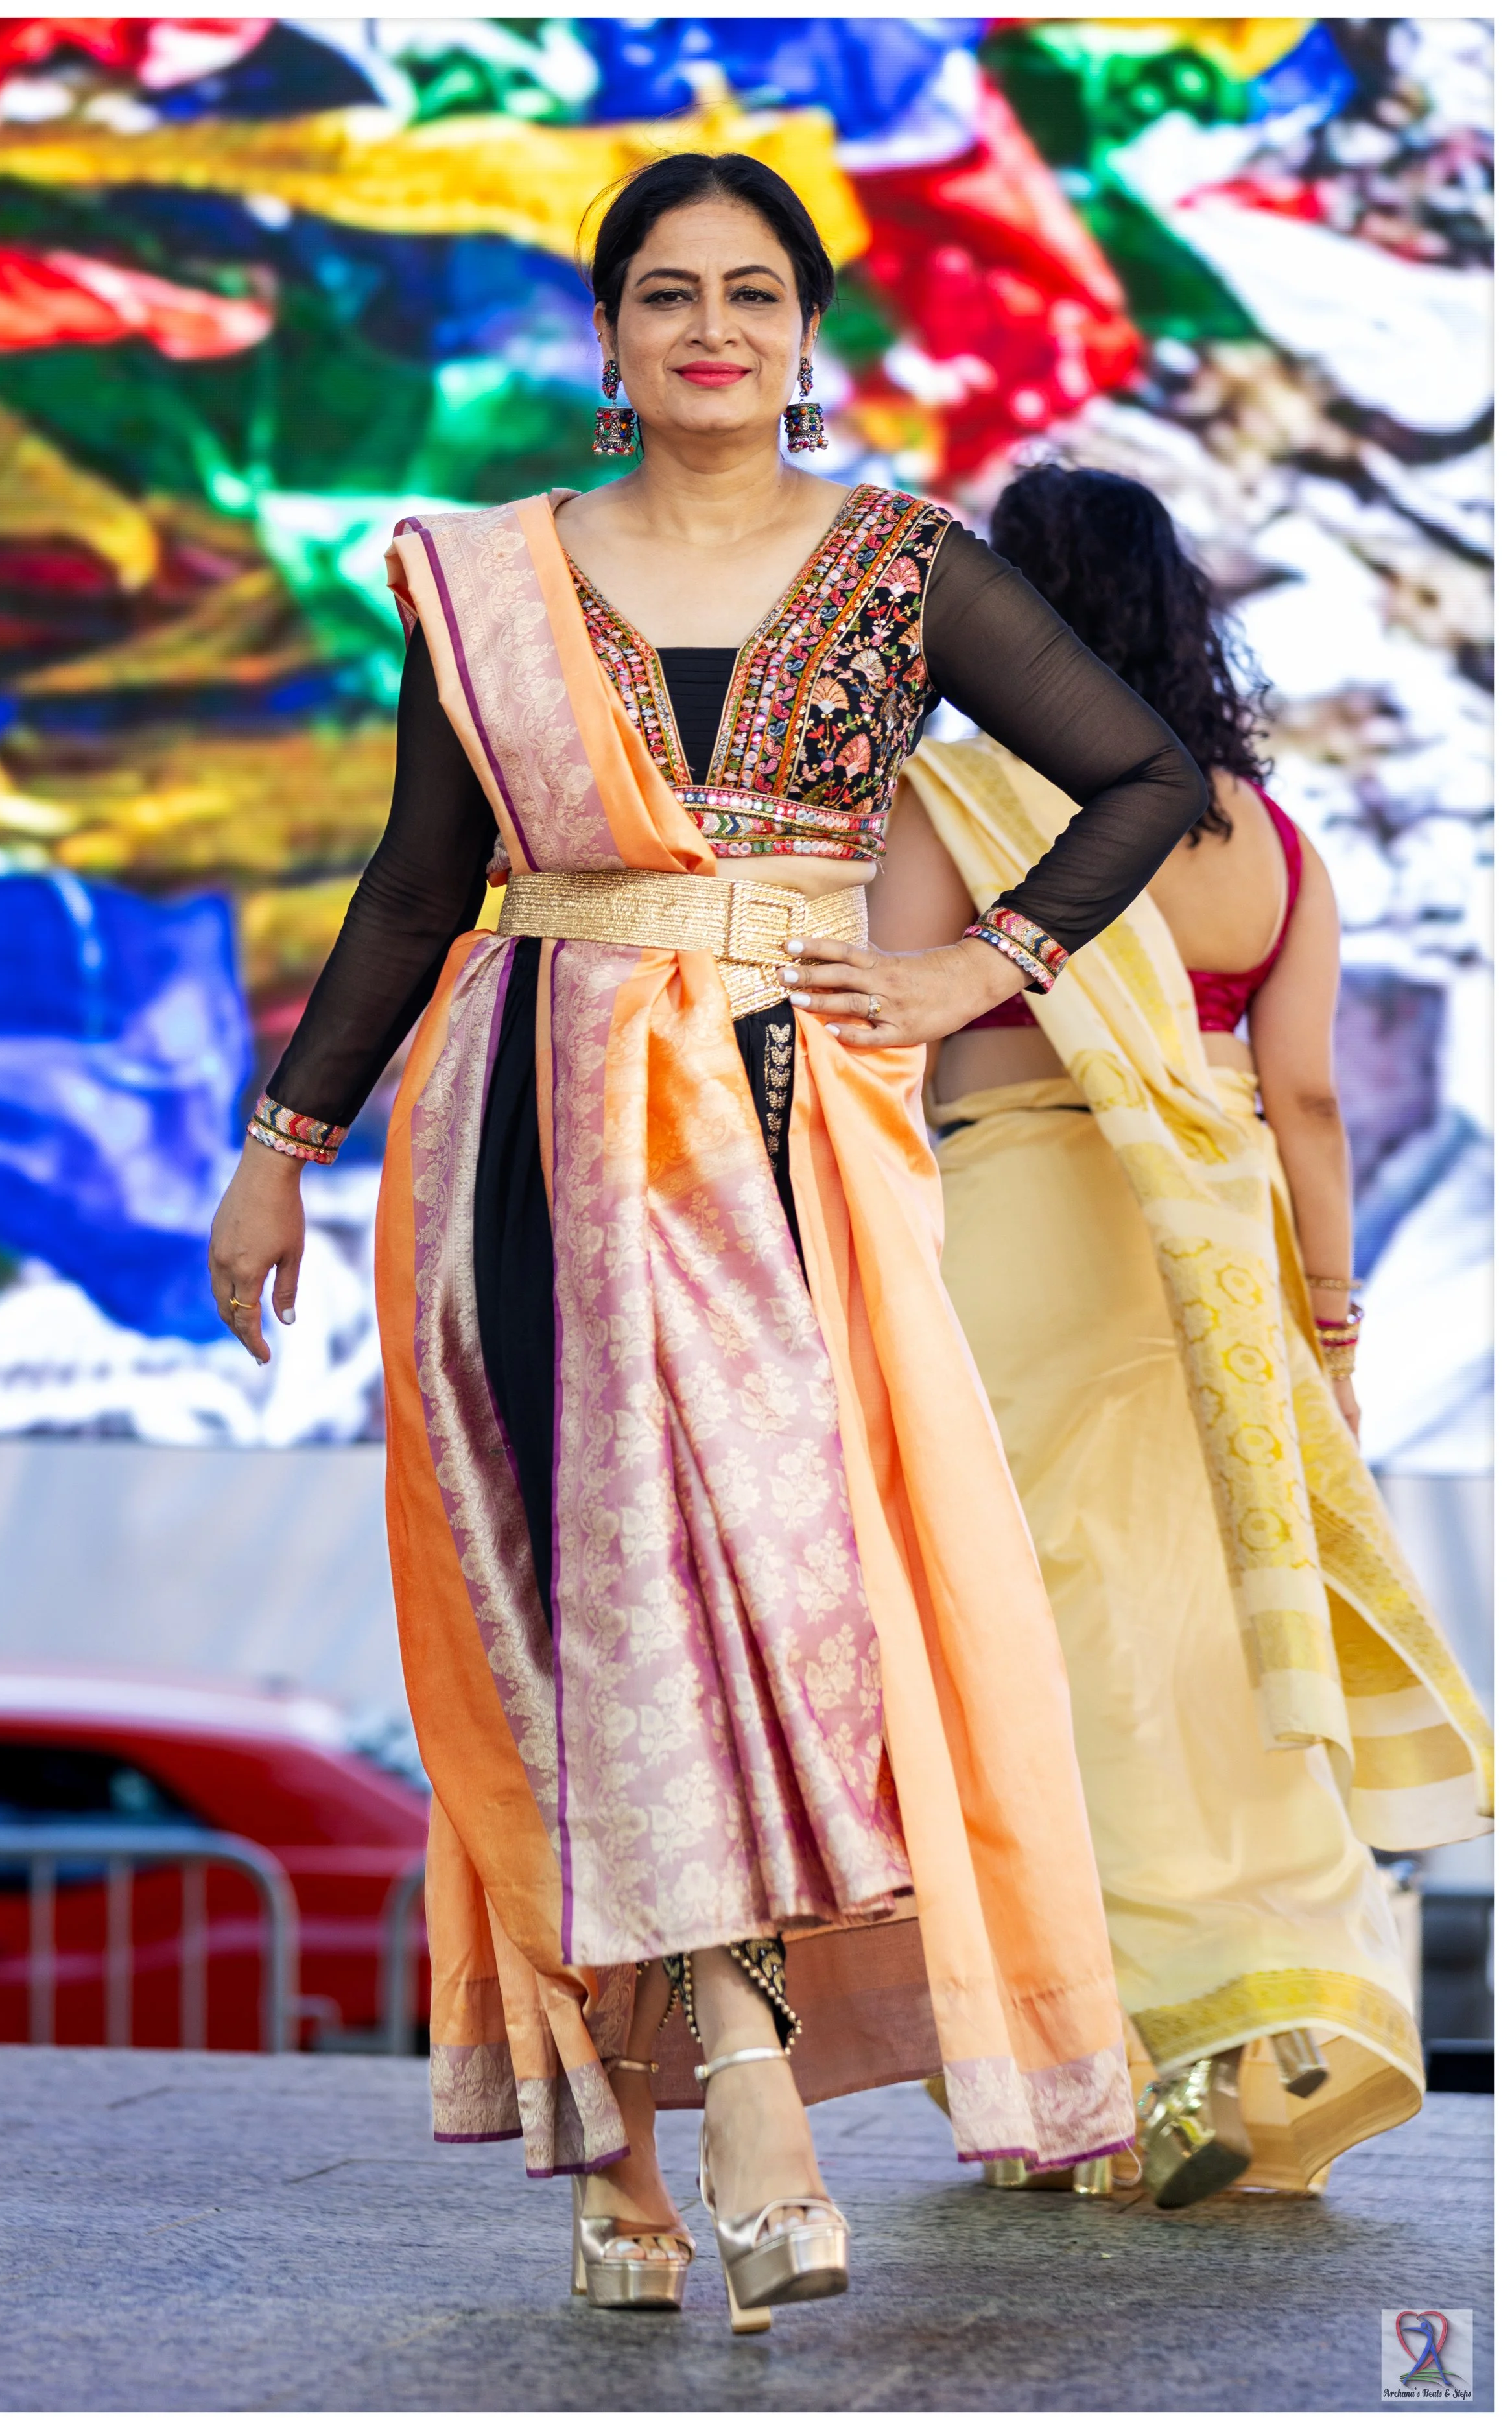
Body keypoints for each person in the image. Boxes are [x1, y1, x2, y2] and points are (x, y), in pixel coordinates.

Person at [209, 158, 1211, 2328]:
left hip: (786, 1145)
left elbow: (1141, 776)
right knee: (570, 1617)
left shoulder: (900, 573)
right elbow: (412, 883)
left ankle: (737, 2079)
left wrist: (983, 969)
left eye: (751, 294)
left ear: (802, 332)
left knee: (768, 1605)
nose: (708, 330)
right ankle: (642, 2134)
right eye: (666, 294)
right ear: (608, 337)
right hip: (521, 1131)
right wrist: (280, 1141)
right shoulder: (488, 579)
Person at [873, 465, 1493, 2208]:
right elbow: (1301, 1098)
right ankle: (1275, 2010)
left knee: (1036, 1644)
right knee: (1209, 1651)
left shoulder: (971, 794)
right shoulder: (1266, 843)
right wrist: (1327, 1320)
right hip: (1214, 1274)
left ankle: (1100, 2048)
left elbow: (882, 1039)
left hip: (1011, 1238)